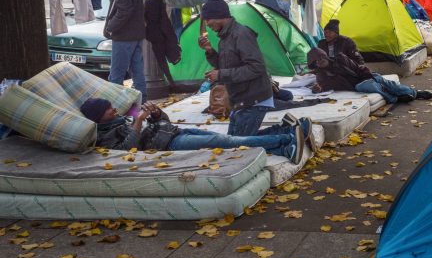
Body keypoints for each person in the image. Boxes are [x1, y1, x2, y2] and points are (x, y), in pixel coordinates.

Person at [80, 98, 308, 164]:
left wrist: (157, 114)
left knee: (228, 138)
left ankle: (282, 142)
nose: (114, 109)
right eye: (108, 109)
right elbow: (126, 150)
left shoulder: (119, 118)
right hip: (168, 145)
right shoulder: (104, 134)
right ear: (98, 117)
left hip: (172, 131)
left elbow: (161, 122)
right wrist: (138, 122)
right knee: (227, 141)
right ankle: (286, 138)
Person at [197, 0, 275, 137]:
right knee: (233, 142)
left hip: (254, 99)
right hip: (239, 100)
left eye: (208, 19)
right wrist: (209, 50)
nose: (207, 24)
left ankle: (288, 137)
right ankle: (286, 133)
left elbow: (257, 67)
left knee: (239, 144)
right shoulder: (224, 38)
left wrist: (220, 75)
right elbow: (224, 65)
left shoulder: (241, 34)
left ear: (219, 16)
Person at [306, 46, 432, 104]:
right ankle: (395, 99)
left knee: (385, 81)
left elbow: (358, 67)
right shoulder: (322, 75)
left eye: (321, 57)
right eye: (316, 61)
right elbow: (323, 86)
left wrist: (368, 75)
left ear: (325, 55)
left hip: (364, 76)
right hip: (356, 86)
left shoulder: (340, 58)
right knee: (370, 85)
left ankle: (416, 93)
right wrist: (318, 89)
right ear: (315, 64)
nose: (320, 61)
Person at [104, 0, 147, 102]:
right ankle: (142, 107)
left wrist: (110, 26)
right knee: (138, 74)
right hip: (136, 34)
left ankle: (116, 108)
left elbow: (124, 11)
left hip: (124, 36)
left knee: (116, 76)